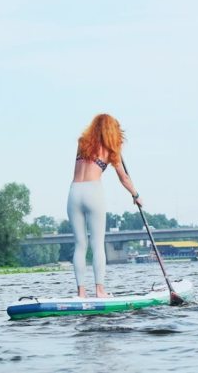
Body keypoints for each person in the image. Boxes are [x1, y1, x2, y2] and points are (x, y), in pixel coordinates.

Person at [67, 113, 143, 298]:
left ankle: (81, 293)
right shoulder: (111, 150)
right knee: (97, 244)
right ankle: (100, 291)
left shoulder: (82, 142)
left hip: (74, 192)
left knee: (80, 244)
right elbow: (123, 178)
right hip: (93, 192)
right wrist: (136, 195)